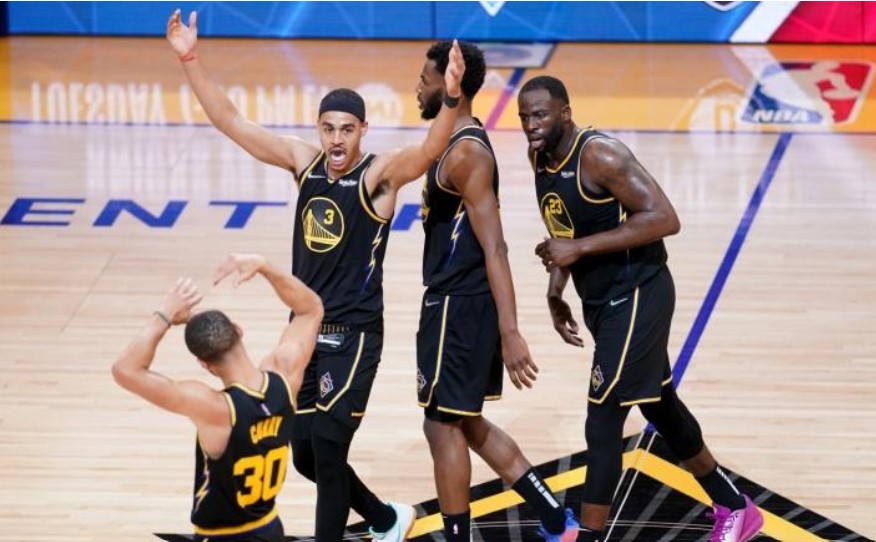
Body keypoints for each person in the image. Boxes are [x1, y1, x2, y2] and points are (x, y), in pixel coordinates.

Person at [166, 10, 465, 541]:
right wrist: (189, 58)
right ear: (318, 129)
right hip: (303, 331)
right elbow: (231, 121)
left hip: (354, 334)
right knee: (302, 453)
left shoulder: (377, 176)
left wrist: (452, 97)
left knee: (327, 451)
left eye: (347, 130)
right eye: (328, 129)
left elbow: (428, 150)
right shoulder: (303, 164)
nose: (336, 140)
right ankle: (385, 519)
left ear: (363, 130)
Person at [517, 75, 764, 542]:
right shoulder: (539, 158)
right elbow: (563, 231)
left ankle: (590, 536)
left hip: (638, 295)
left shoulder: (600, 156)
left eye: (541, 115)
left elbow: (665, 218)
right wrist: (555, 291)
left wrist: (579, 249)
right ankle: (735, 506)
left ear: (565, 113)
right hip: (601, 302)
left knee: (603, 415)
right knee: (660, 404)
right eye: (525, 117)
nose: (531, 124)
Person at [413, 42, 579, 542]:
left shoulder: (466, 153)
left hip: (459, 306)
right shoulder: (450, 140)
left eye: (424, 79)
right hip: (455, 302)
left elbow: (496, 247)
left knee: (441, 426)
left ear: (450, 85)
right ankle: (555, 519)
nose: (417, 87)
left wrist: (510, 332)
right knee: (465, 422)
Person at [110, 253, 323, 541]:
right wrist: (264, 266)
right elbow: (310, 309)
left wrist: (165, 315)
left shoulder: (214, 408)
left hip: (223, 536)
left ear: (204, 364)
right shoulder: (285, 377)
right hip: (269, 528)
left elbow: (125, 370)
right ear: (238, 330)